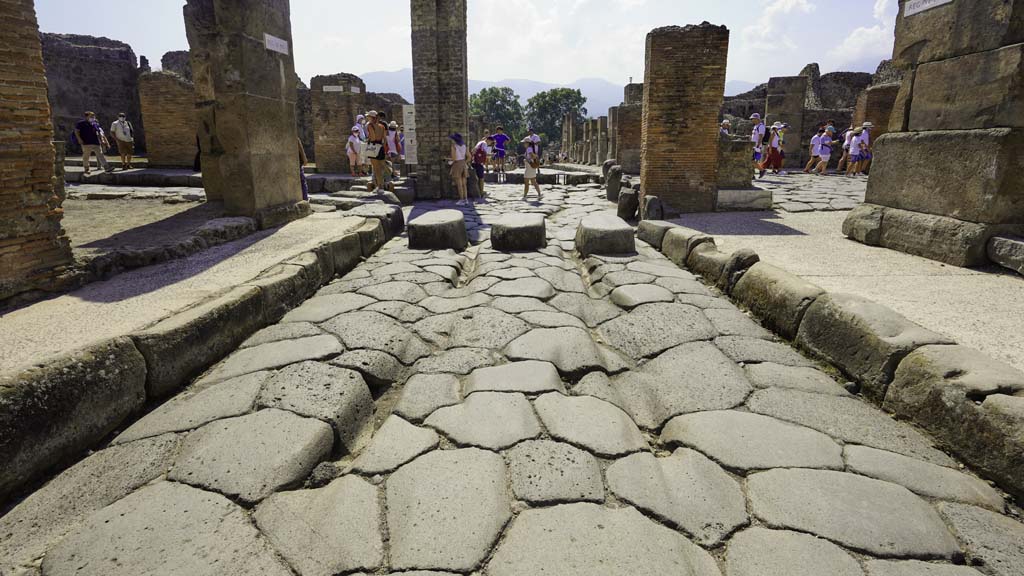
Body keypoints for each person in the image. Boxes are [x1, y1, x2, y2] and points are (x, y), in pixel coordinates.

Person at [365, 110, 388, 191]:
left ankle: (380, 186)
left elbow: (373, 137)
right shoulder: (382, 126)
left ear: (372, 117)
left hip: (373, 146)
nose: (368, 118)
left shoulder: (370, 126)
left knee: (376, 168)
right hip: (380, 147)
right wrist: (382, 147)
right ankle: (382, 184)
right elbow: (385, 139)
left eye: (369, 117)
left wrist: (368, 139)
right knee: (381, 167)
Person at [471, 135, 494, 201]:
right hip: (479, 163)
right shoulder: (484, 144)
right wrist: (491, 155)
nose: (490, 143)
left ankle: (478, 192)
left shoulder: (479, 142)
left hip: (474, 161)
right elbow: (485, 154)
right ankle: (481, 192)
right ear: (489, 140)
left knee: (477, 178)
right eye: (491, 142)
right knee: (481, 178)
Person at [449, 133, 469, 205]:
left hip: (457, 164)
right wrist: (464, 162)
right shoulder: (464, 146)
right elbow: (469, 157)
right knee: (464, 184)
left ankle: (461, 199)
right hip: (463, 163)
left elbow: (454, 158)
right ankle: (466, 199)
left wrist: (448, 160)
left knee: (459, 184)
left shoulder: (454, 146)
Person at [522, 136, 543, 201]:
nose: (523, 144)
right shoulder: (531, 148)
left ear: (528, 143)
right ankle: (539, 194)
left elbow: (532, 156)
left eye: (524, 143)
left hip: (529, 167)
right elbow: (534, 156)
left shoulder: (529, 149)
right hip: (532, 167)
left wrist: (527, 160)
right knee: (533, 181)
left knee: (526, 182)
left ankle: (525, 196)